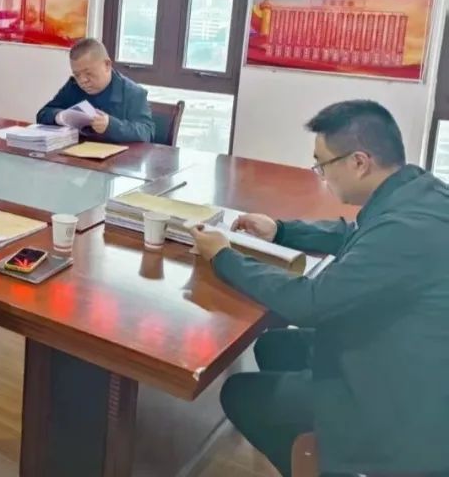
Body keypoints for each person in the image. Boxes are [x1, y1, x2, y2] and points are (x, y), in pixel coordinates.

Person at [191, 101, 449, 477]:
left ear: (359, 162)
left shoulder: (405, 231)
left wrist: (224, 257)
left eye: (322, 165)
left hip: (399, 402)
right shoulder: (418, 193)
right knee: (273, 345)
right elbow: (355, 235)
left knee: (239, 394)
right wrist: (281, 230)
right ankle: (317, 448)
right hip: (398, 351)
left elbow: (309, 303)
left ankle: (329, 465)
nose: (321, 176)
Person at [36, 38, 154, 143]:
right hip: (77, 154)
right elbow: (42, 114)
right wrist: (60, 116)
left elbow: (146, 132)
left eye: (88, 73)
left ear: (107, 65)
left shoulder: (134, 93)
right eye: (77, 75)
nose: (82, 80)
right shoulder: (73, 86)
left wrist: (111, 125)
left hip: (118, 157)